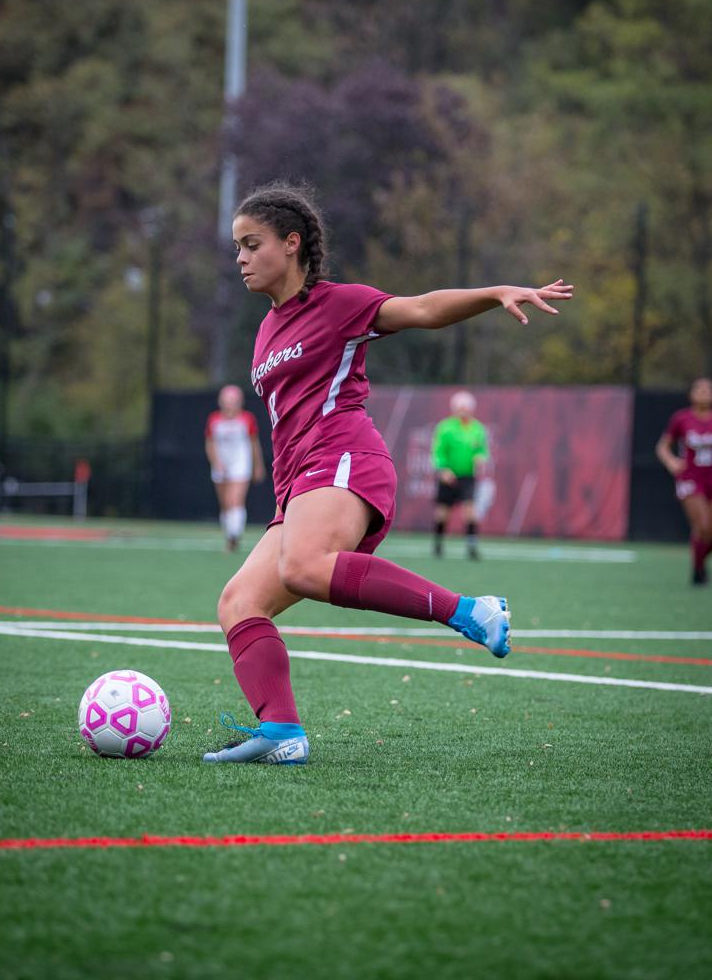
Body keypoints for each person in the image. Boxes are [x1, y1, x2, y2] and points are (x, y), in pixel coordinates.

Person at [202, 182, 572, 765]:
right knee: (239, 601)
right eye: (237, 248)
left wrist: (497, 291)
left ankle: (471, 611)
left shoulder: (337, 303)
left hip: (344, 455)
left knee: (301, 567)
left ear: (291, 243)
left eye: (252, 244)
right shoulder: (267, 328)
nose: (241, 258)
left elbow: (423, 308)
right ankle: (281, 733)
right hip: (298, 480)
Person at [655, 377, 712, 585]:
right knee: (703, 525)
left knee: (709, 532)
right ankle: (698, 569)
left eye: (708, 390)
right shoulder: (682, 418)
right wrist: (671, 462)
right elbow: (662, 446)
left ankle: (699, 565)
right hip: (691, 478)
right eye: (700, 389)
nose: (705, 393)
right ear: (691, 394)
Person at [204, 384, 265, 551]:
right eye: (227, 400)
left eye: (234, 400)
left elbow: (254, 444)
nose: (230, 404)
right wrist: (216, 462)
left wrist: (257, 466)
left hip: (241, 464)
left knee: (235, 501)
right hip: (221, 465)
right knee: (225, 504)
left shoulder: (247, 419)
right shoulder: (214, 420)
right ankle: (229, 534)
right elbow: (210, 444)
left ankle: (234, 535)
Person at [431, 390, 489, 559]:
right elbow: (438, 451)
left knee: (470, 511)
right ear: (454, 408)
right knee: (442, 513)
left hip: (467, 476)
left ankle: (472, 547)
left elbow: (481, 450)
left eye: (467, 407)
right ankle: (438, 544)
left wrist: (480, 458)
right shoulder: (445, 427)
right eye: (460, 407)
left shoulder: (477, 429)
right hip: (448, 476)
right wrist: (443, 469)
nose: (464, 410)